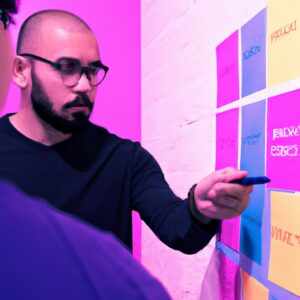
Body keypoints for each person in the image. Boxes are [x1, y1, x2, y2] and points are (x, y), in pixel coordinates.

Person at [0, 9, 253, 254]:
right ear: (22, 71)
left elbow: (177, 227)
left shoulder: (125, 158)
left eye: (92, 71)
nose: (85, 85)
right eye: (67, 67)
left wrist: (200, 207)